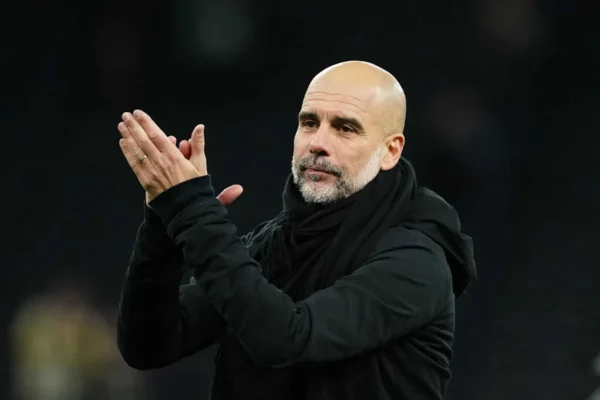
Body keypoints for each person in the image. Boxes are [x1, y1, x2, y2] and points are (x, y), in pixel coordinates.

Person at [116, 61, 477, 400]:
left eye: (345, 128)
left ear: (390, 151)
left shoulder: (416, 261)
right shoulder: (274, 242)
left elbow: (288, 339)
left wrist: (194, 213)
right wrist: (164, 223)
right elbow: (148, 346)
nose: (317, 142)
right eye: (309, 123)